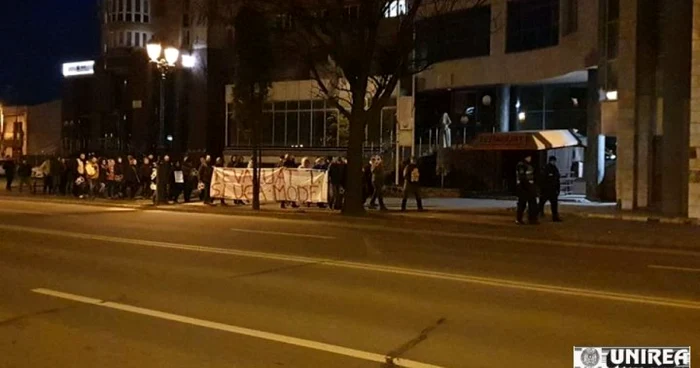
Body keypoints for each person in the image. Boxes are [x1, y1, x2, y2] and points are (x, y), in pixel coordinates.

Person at [515, 155, 539, 225]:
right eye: (529, 157)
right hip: (523, 188)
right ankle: (519, 219)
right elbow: (522, 177)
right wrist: (529, 187)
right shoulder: (521, 165)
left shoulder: (528, 165)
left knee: (532, 204)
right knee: (522, 205)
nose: (530, 158)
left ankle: (532, 219)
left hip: (529, 187)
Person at [539, 156, 562, 222]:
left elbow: (557, 180)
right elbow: (543, 180)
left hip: (553, 190)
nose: (554, 162)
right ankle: (534, 214)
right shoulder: (546, 168)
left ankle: (555, 217)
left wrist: (558, 189)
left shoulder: (555, 168)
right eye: (553, 161)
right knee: (541, 203)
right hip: (546, 190)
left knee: (554, 204)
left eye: (554, 161)